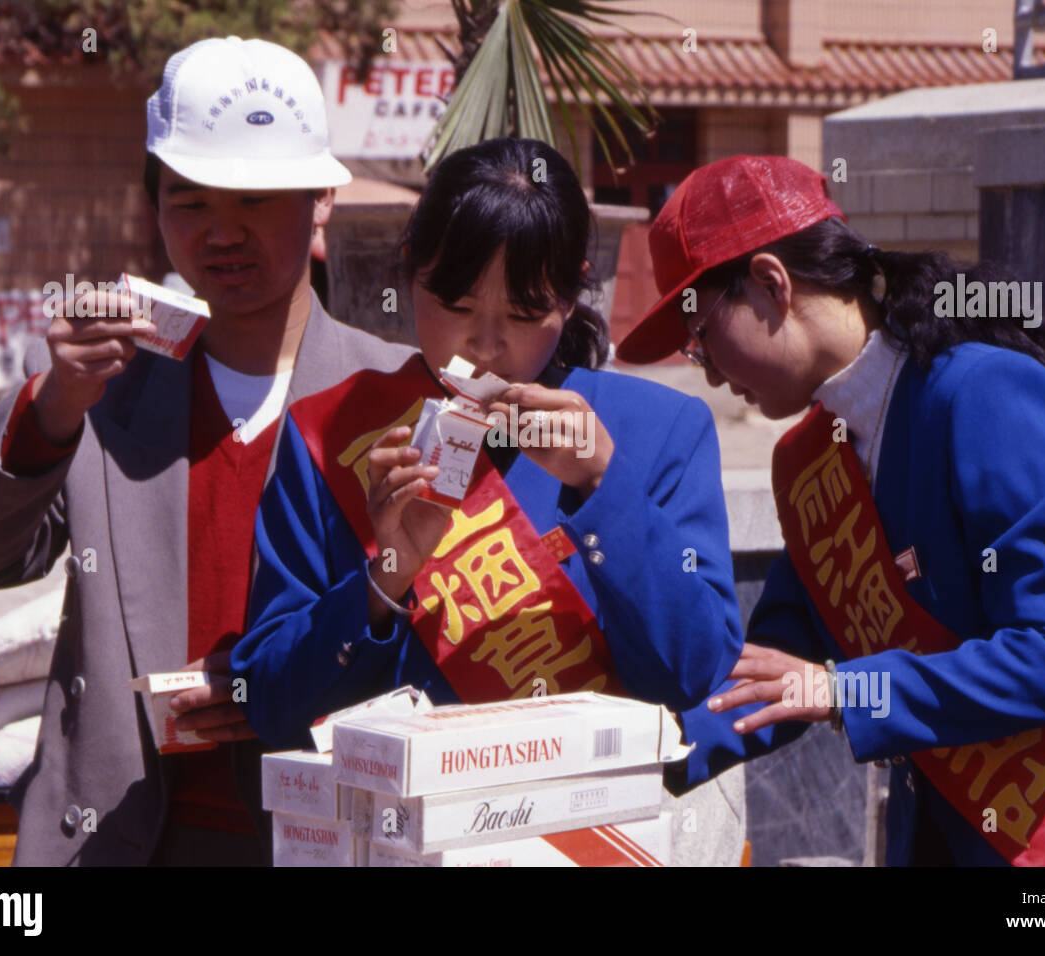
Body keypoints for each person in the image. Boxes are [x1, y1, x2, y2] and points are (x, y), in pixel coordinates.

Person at [0, 36, 413, 865]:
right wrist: (50, 408)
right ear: (154, 208)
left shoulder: (395, 394)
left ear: (322, 198)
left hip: (324, 834)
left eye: (254, 200)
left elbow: (436, 634)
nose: (222, 233)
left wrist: (282, 685)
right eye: (189, 202)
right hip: (116, 838)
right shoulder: (98, 383)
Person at [616, 154, 1045, 867]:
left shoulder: (984, 395)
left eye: (700, 337)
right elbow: (779, 673)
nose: (704, 371)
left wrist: (843, 691)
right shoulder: (806, 463)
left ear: (771, 284)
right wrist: (629, 760)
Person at [233, 137, 748, 864]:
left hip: (594, 845)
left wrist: (604, 489)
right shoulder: (338, 436)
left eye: (524, 310)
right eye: (456, 302)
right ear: (409, 271)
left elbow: (694, 671)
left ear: (571, 294)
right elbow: (268, 705)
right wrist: (384, 579)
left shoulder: (660, 432)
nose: (485, 342)